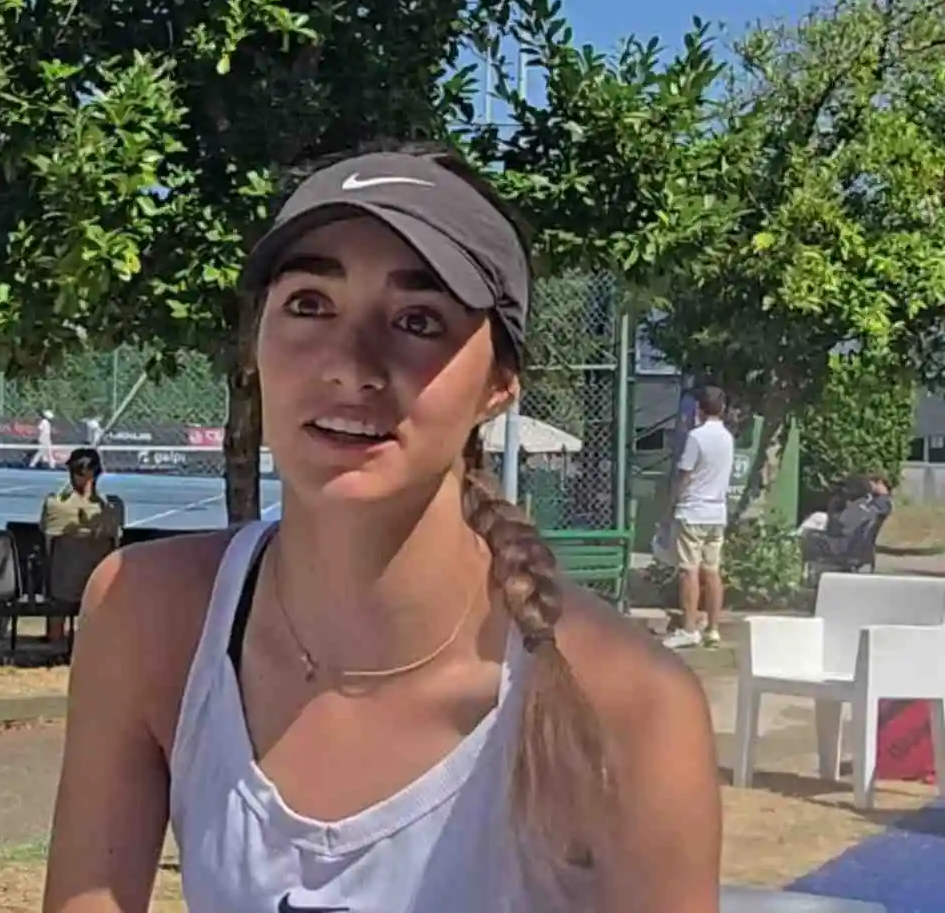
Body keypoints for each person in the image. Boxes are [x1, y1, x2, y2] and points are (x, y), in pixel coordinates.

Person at [43, 148, 720, 913]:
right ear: (254, 345)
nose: (350, 365)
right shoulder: (148, 615)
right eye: (309, 305)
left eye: (417, 321)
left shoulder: (632, 704)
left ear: (499, 385)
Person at [663, 386, 735, 650]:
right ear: (723, 409)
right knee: (712, 570)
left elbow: (685, 475)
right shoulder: (727, 437)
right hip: (717, 512)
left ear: (699, 409)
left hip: (693, 510)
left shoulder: (696, 437)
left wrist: (670, 506)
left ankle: (689, 628)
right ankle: (713, 629)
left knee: (688, 570)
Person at [39, 448, 123, 643]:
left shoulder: (54, 505)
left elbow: (47, 543)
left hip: (62, 588)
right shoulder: (113, 509)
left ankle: (55, 635)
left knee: (57, 567)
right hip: (100, 586)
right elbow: (115, 545)